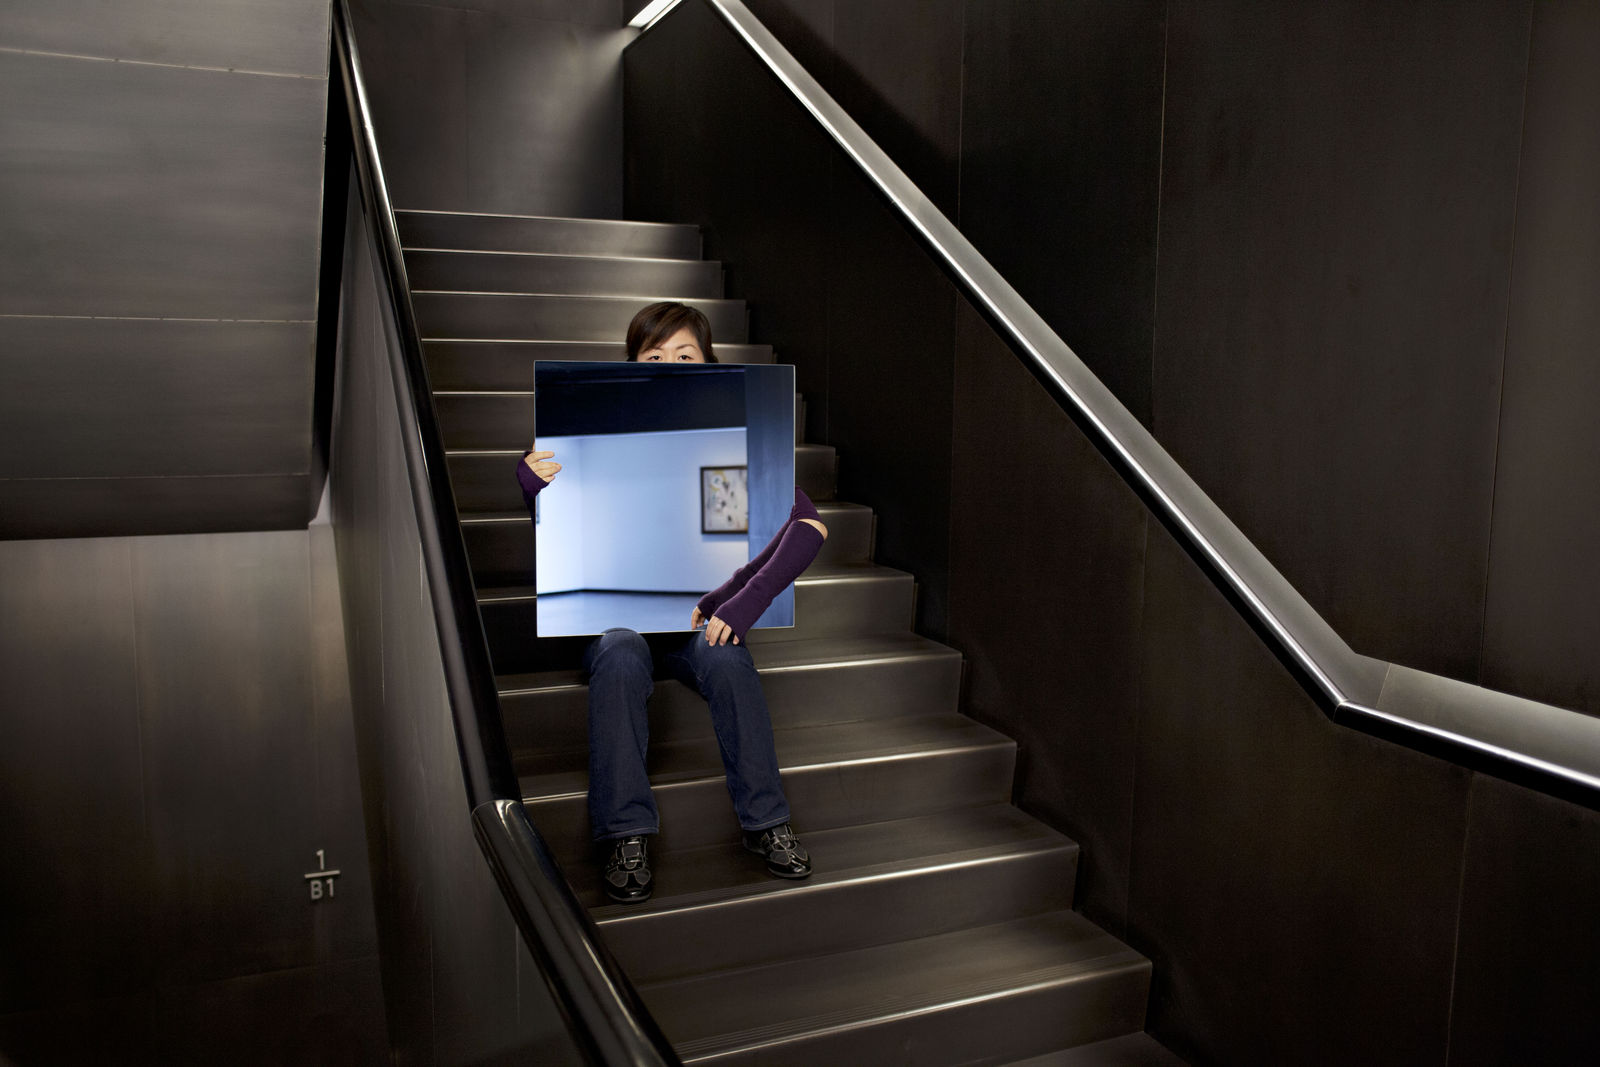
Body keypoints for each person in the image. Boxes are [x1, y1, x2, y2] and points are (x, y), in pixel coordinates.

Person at [516, 301, 827, 904]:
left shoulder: (735, 440)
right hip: (615, 626)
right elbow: (566, 539)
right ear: (631, 367)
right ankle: (624, 833)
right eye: (653, 356)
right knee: (621, 653)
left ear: (710, 365)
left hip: (696, 624)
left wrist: (738, 607)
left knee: (730, 657)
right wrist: (532, 486)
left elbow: (807, 525)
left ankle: (767, 822)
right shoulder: (584, 437)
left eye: (685, 355)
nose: (670, 364)